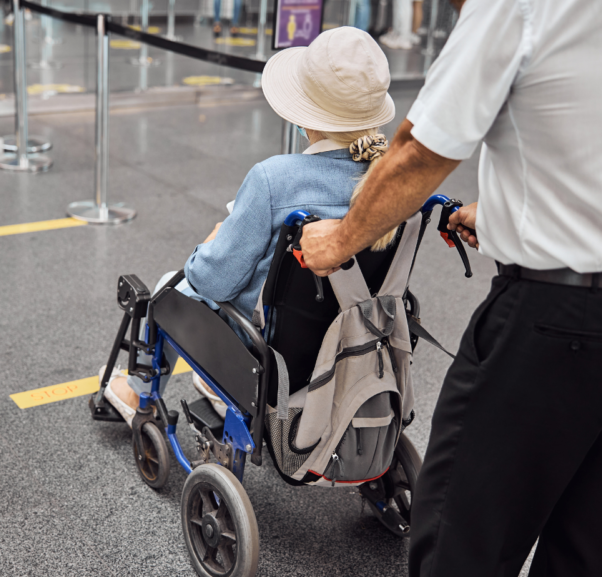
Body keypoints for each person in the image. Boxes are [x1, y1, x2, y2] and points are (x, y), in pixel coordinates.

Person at [298, 0, 602, 576]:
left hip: (566, 324)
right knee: (590, 531)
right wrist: (519, 215)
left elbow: (417, 152)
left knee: (462, 539)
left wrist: (340, 242)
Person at [99, 27, 400, 425]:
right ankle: (216, 388)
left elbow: (213, 282)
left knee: (171, 285)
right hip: (350, 342)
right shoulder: (393, 183)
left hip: (264, 348)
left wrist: (211, 245)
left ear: (306, 115)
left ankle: (139, 394)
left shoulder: (274, 179)